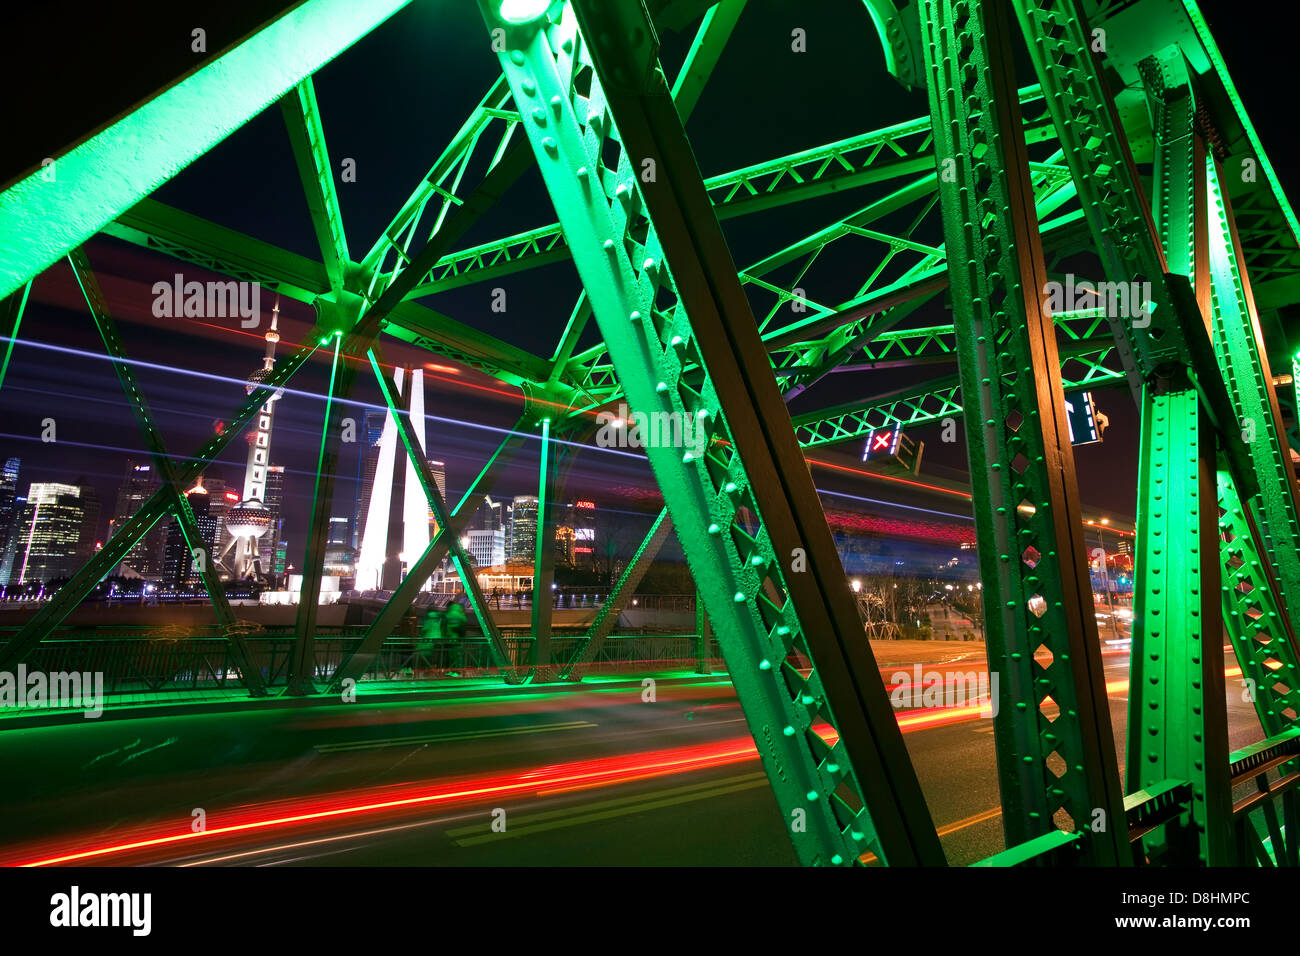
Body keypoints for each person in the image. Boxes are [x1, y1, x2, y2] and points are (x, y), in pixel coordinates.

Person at [443, 601, 468, 677]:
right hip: (457, 639)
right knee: (457, 655)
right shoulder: (460, 615)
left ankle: (451, 670)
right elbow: (463, 625)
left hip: (448, 638)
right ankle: (457, 671)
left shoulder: (449, 614)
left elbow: (444, 626)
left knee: (450, 655)